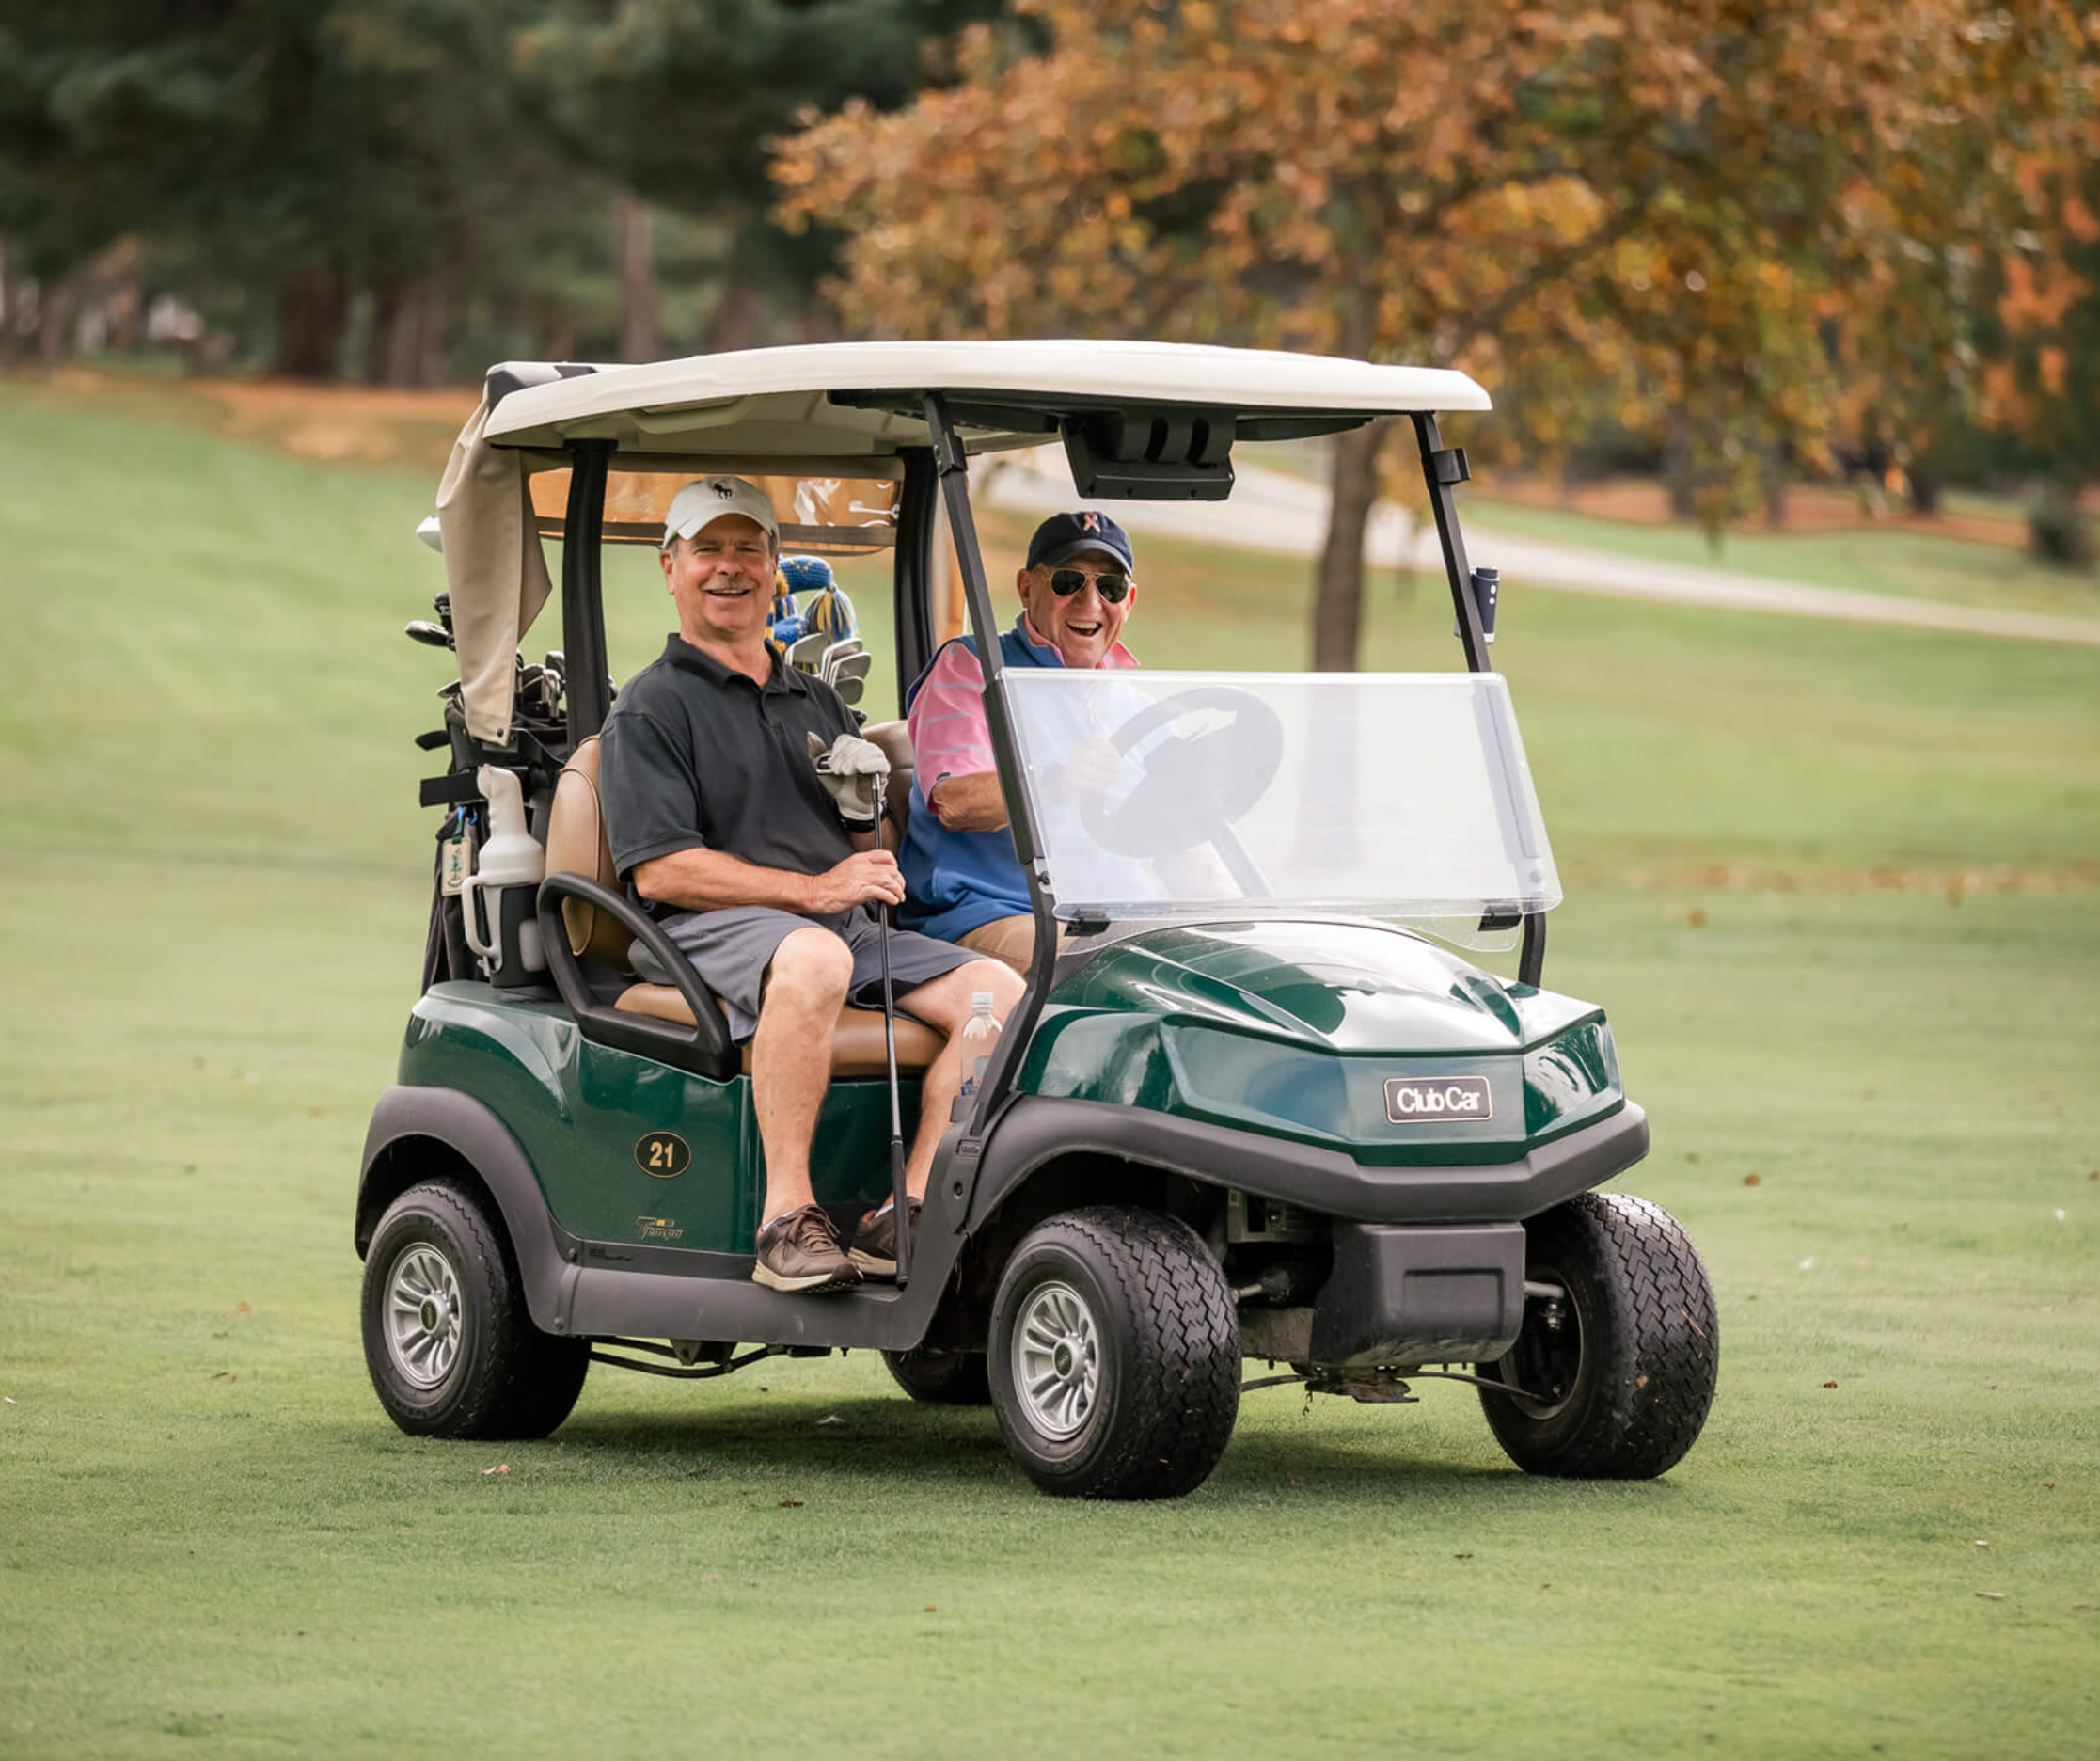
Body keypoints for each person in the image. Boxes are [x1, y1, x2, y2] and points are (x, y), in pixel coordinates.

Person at [597, 475, 1023, 1295]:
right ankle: (786, 1219)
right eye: (708, 550)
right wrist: (815, 891)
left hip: (835, 926)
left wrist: (867, 816)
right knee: (815, 959)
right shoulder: (651, 709)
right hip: (705, 929)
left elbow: (870, 850)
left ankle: (910, 1211)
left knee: (993, 993)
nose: (730, 568)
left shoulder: (816, 698)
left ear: (775, 565)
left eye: (748, 550)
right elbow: (661, 869)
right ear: (670, 566)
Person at [898, 511, 1145, 973]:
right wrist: (1059, 781)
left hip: (1112, 914)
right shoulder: (971, 668)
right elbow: (955, 803)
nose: (1090, 602)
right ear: (1028, 587)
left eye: (1108, 588)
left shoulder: (1134, 700)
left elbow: (1188, 839)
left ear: (1128, 601)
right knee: (1117, 967)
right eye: (1069, 581)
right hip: (992, 913)